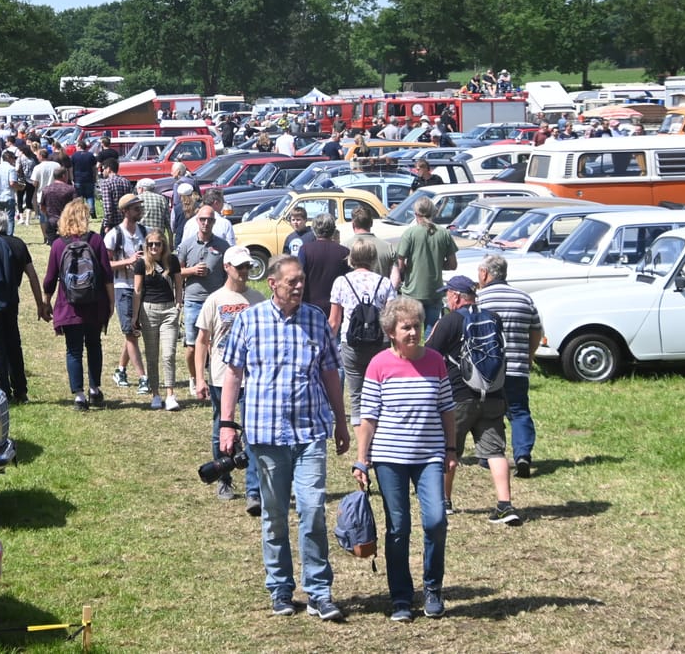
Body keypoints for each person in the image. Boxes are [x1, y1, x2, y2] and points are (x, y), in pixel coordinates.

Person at [218, 254, 349, 621]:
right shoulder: (249, 320)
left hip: (309, 432)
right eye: (291, 280)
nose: (298, 285)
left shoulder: (316, 320)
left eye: (301, 280)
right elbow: (232, 374)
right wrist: (227, 423)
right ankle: (280, 588)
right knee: (274, 516)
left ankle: (319, 591)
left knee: (312, 511)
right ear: (272, 284)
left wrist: (341, 422)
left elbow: (330, 375)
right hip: (266, 434)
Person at [353, 296, 457, 622]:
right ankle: (400, 597)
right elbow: (368, 416)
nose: (413, 333)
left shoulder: (436, 361)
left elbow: (447, 410)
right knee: (398, 528)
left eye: (417, 326)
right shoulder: (379, 365)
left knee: (436, 521)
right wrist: (361, 459)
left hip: (430, 456)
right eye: (406, 328)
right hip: (389, 458)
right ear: (391, 332)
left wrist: (451, 450)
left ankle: (432, 589)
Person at [426, 276, 522, 525]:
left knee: (449, 449)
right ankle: (505, 505)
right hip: (493, 394)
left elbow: (429, 354)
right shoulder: (493, 318)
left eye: (448, 294)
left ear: (456, 296)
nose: (446, 298)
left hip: (458, 396)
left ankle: (444, 502)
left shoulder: (449, 321)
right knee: (495, 452)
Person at [194, 245, 264, 509]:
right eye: (239, 267)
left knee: (252, 433)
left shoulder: (258, 299)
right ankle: (223, 476)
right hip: (222, 377)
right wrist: (199, 378)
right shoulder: (215, 300)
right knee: (221, 430)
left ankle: (253, 489)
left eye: (247, 266)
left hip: (252, 378)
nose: (244, 271)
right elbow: (202, 341)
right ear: (227, 268)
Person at [0, 208, 50, 403]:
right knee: (14, 345)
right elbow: (32, 275)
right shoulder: (18, 244)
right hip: (11, 300)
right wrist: (40, 304)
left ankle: (2, 391)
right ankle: (20, 390)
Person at [475, 254, 543, 478]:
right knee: (519, 412)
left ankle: (489, 455)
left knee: (489, 413)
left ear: (485, 274)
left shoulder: (480, 299)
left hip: (488, 370)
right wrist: (529, 355)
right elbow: (536, 330)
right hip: (517, 367)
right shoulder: (524, 299)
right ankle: (523, 454)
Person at [43, 199, 114, 410]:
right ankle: (94, 389)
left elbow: (50, 278)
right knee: (94, 345)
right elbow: (107, 275)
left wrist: (46, 302)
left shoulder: (58, 244)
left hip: (69, 305)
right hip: (94, 303)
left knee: (73, 350)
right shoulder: (95, 240)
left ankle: (80, 396)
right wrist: (110, 302)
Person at [330, 238, 396, 434]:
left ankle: (363, 447)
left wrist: (328, 347)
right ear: (373, 258)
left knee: (357, 395)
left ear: (351, 258)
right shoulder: (384, 283)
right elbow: (391, 318)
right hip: (380, 343)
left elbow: (334, 320)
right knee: (380, 393)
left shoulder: (341, 282)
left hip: (351, 344)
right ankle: (380, 436)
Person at [178, 205, 231, 393]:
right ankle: (194, 378)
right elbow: (176, 272)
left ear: (214, 222)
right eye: (202, 219)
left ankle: (213, 379)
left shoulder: (223, 246)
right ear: (197, 221)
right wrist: (192, 271)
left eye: (209, 220)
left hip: (216, 301)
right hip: (193, 300)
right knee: (192, 345)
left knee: (215, 345)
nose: (206, 223)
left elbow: (229, 273)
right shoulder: (186, 244)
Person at [133, 230, 182, 411]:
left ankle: (170, 394)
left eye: (157, 244)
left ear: (164, 245)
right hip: (148, 311)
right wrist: (135, 316)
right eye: (150, 244)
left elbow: (178, 283)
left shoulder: (172, 261)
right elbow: (137, 291)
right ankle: (155, 394)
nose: (154, 247)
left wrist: (178, 304)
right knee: (152, 355)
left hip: (169, 310)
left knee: (168, 354)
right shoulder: (141, 263)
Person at [393, 197, 457, 335]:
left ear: (416, 214)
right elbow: (453, 265)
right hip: (434, 292)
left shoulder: (410, 234)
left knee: (410, 332)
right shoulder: (444, 233)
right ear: (433, 213)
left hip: (412, 293)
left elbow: (400, 264)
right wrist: (437, 263)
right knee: (429, 334)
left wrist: (409, 267)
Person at [105, 194, 149, 392]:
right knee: (130, 333)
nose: (139, 210)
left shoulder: (143, 231)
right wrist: (128, 261)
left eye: (139, 207)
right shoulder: (114, 234)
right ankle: (143, 378)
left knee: (132, 333)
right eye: (135, 208)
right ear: (125, 211)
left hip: (141, 287)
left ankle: (120, 370)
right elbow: (105, 265)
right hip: (122, 287)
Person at [297, 213, 349, 316]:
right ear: (333, 230)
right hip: (337, 308)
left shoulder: (305, 250)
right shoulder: (344, 252)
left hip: (310, 306)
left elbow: (299, 278)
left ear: (314, 229)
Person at [350, 204, 394, 277]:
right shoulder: (388, 248)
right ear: (371, 223)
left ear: (353, 224)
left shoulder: (343, 247)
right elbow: (396, 278)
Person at [0, 149, 23, 235]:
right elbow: (12, 183)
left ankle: (0, 234)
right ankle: (9, 236)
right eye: (13, 158)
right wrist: (20, 187)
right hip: (8, 196)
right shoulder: (11, 169)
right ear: (9, 158)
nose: (14, 160)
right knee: (10, 218)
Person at [39, 165, 77, 245]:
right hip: (67, 221)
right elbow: (76, 206)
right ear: (63, 176)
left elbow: (42, 207)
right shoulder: (70, 189)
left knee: (54, 246)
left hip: (51, 220)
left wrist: (48, 215)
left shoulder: (46, 189)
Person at [95, 156, 131, 234]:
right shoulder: (126, 182)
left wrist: (106, 224)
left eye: (103, 169)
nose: (103, 171)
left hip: (112, 222)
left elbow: (108, 207)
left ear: (108, 169)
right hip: (125, 220)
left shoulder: (106, 183)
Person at [135, 177, 172, 244]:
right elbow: (168, 223)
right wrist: (171, 242)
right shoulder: (162, 199)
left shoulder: (137, 199)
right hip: (158, 238)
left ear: (141, 189)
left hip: (141, 238)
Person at [70, 140, 98, 217]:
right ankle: (91, 209)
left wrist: (72, 178)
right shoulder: (90, 155)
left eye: (76, 146)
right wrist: (95, 177)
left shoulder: (74, 156)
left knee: (79, 197)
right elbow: (94, 168)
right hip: (89, 178)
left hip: (78, 179)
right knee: (90, 196)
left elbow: (71, 168)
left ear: (80, 146)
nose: (76, 147)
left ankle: (80, 212)